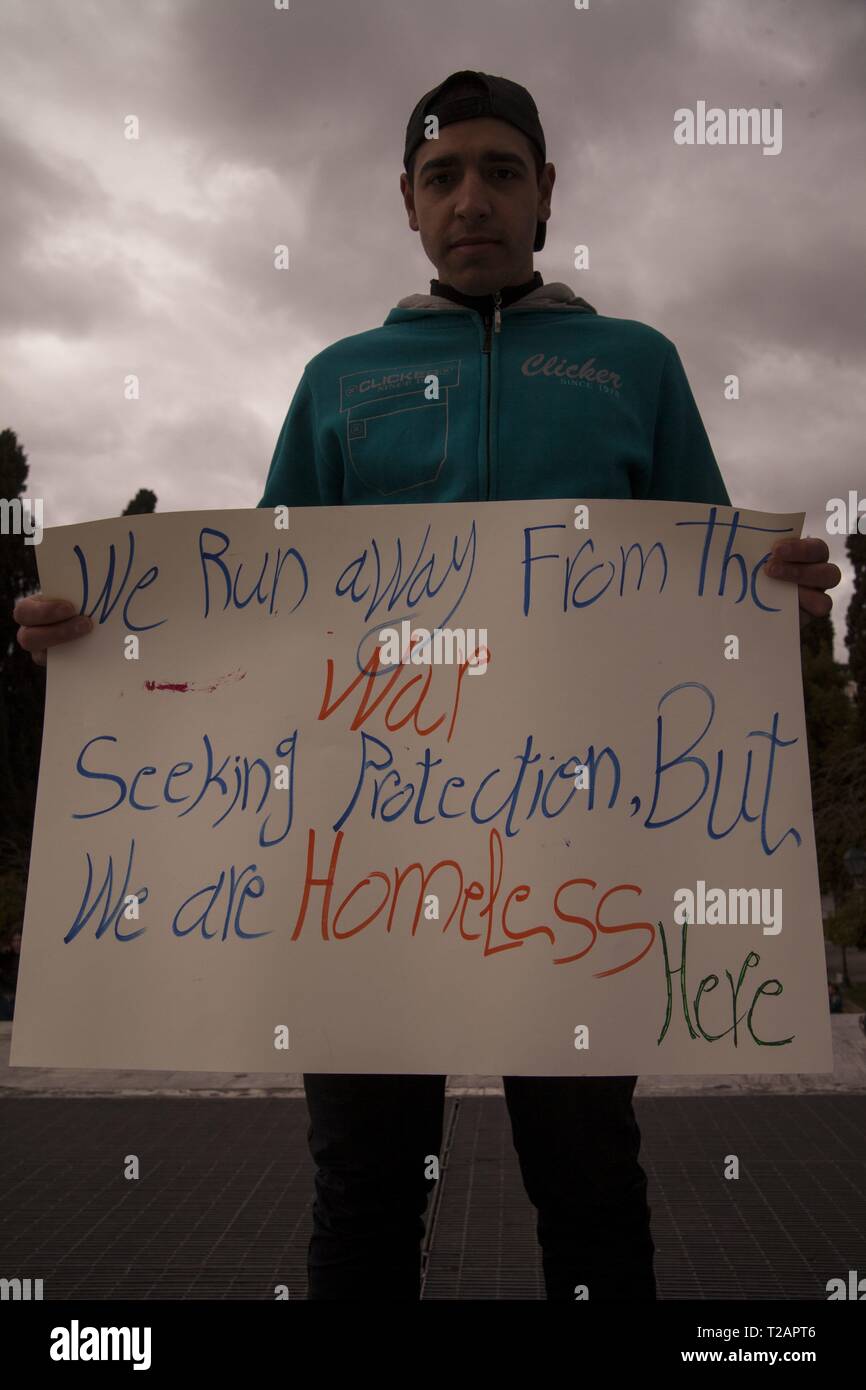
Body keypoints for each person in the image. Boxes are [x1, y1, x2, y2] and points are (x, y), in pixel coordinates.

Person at [13, 70, 843, 1300]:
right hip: (361, 870)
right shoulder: (339, 380)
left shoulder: (637, 366)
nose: (472, 198)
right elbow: (254, 606)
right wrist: (101, 637)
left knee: (588, 1185)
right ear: (405, 202)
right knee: (362, 1189)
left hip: (571, 864)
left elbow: (704, 602)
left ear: (546, 195)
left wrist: (775, 589)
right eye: (442, 174)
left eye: (501, 171)